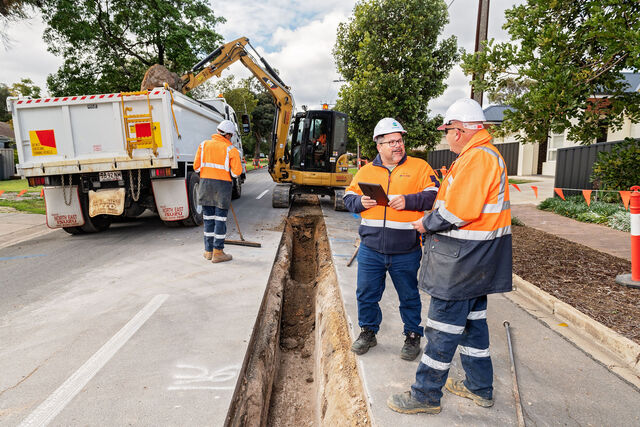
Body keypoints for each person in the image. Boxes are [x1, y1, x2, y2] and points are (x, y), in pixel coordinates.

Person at [387, 98, 513, 415]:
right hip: (477, 259)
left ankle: (425, 395)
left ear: (458, 130)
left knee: (441, 329)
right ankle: (479, 386)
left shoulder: (478, 158)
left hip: (462, 261)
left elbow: (459, 210)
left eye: (446, 131)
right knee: (472, 325)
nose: (446, 137)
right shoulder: (479, 155)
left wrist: (425, 223)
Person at [343, 117, 440, 361]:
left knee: (409, 295)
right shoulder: (366, 171)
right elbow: (348, 198)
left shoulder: (419, 167)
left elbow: (434, 195)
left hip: (406, 249)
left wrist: (408, 200)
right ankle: (368, 332)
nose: (398, 145)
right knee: (366, 294)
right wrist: (360, 202)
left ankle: (412, 335)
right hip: (370, 248)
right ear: (379, 145)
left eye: (400, 141)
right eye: (392, 142)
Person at [193, 120, 242, 263]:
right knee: (220, 220)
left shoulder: (203, 145)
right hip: (222, 187)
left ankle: (208, 251)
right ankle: (218, 252)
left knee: (208, 219)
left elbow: (196, 168)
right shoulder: (231, 149)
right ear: (228, 135)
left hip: (205, 185)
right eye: (231, 136)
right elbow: (236, 173)